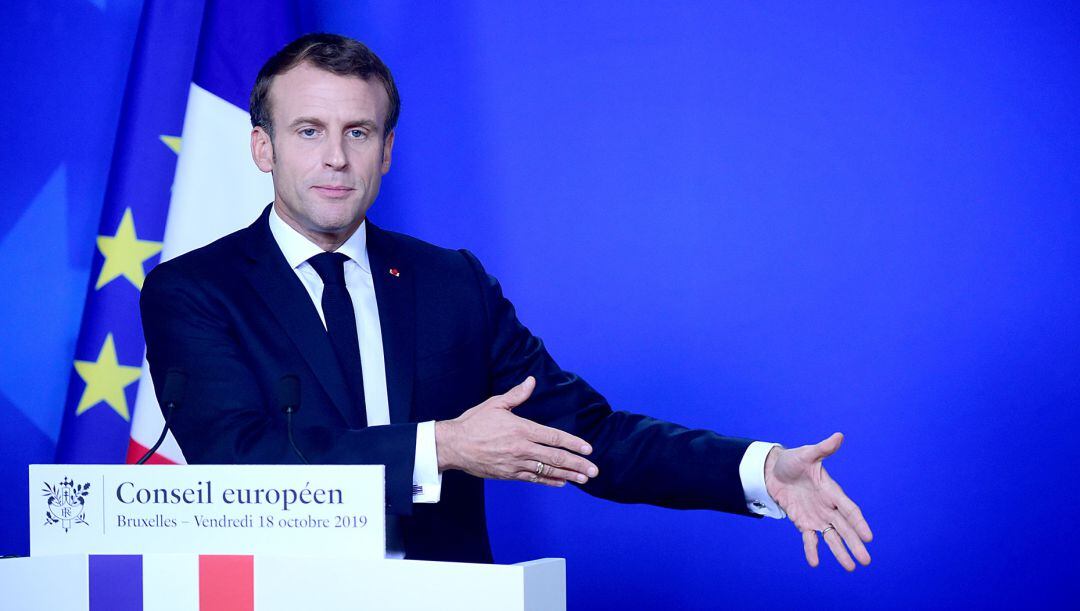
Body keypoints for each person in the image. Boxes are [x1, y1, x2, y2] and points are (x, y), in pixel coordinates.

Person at [141, 33, 872, 568]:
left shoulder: (449, 282)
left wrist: (758, 468)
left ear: (387, 151)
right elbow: (239, 463)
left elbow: (591, 437)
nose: (336, 158)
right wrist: (444, 445)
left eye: (357, 132)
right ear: (262, 147)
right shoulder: (196, 290)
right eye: (309, 131)